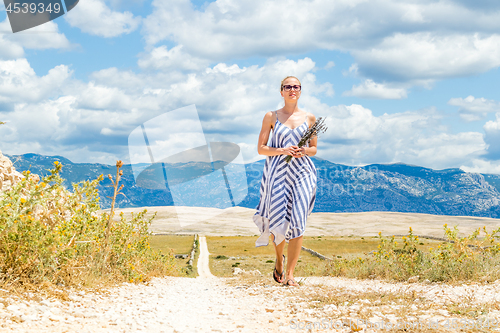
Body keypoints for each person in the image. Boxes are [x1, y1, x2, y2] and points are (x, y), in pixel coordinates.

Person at [253, 76, 318, 287]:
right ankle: (279, 261)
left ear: (300, 91)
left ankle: (290, 274)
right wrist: (282, 151)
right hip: (277, 173)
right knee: (278, 219)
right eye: (288, 87)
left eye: (296, 87)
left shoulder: (310, 118)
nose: (292, 90)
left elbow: (314, 149)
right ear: (281, 91)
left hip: (302, 173)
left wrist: (303, 150)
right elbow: (261, 148)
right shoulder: (271, 116)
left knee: (298, 219)